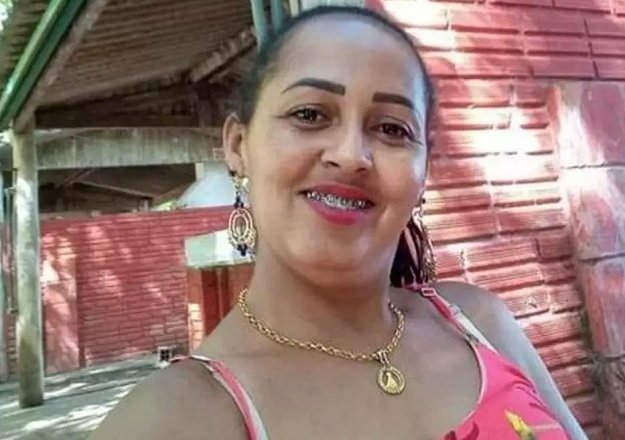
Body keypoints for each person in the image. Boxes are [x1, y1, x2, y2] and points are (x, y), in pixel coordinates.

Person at [90, 6, 588, 440]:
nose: (351, 155)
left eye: (392, 128)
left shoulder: (480, 325)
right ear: (238, 146)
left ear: (424, 169)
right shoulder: (173, 419)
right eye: (310, 114)